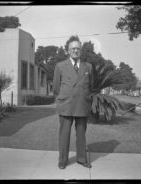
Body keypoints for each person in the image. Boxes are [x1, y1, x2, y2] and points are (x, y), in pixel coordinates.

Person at [53, 35, 93, 169]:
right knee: (64, 134)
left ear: (81, 50)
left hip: (82, 104)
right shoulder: (60, 66)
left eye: (78, 48)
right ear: (68, 50)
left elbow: (91, 86)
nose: (76, 51)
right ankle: (62, 161)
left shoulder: (88, 67)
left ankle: (82, 159)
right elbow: (56, 87)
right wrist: (65, 96)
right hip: (66, 104)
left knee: (81, 134)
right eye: (73, 48)